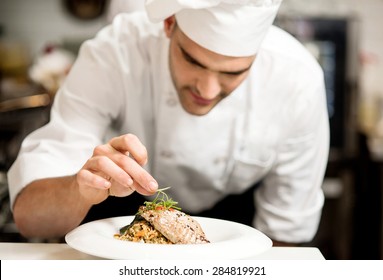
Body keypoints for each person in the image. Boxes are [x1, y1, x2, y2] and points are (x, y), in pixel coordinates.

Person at [7, 0, 329, 246]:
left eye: (232, 73)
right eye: (192, 60)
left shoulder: (297, 82)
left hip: (238, 228)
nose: (207, 90)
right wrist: (80, 192)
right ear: (169, 23)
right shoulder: (116, 52)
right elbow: (29, 218)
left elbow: (286, 237)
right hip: (120, 220)